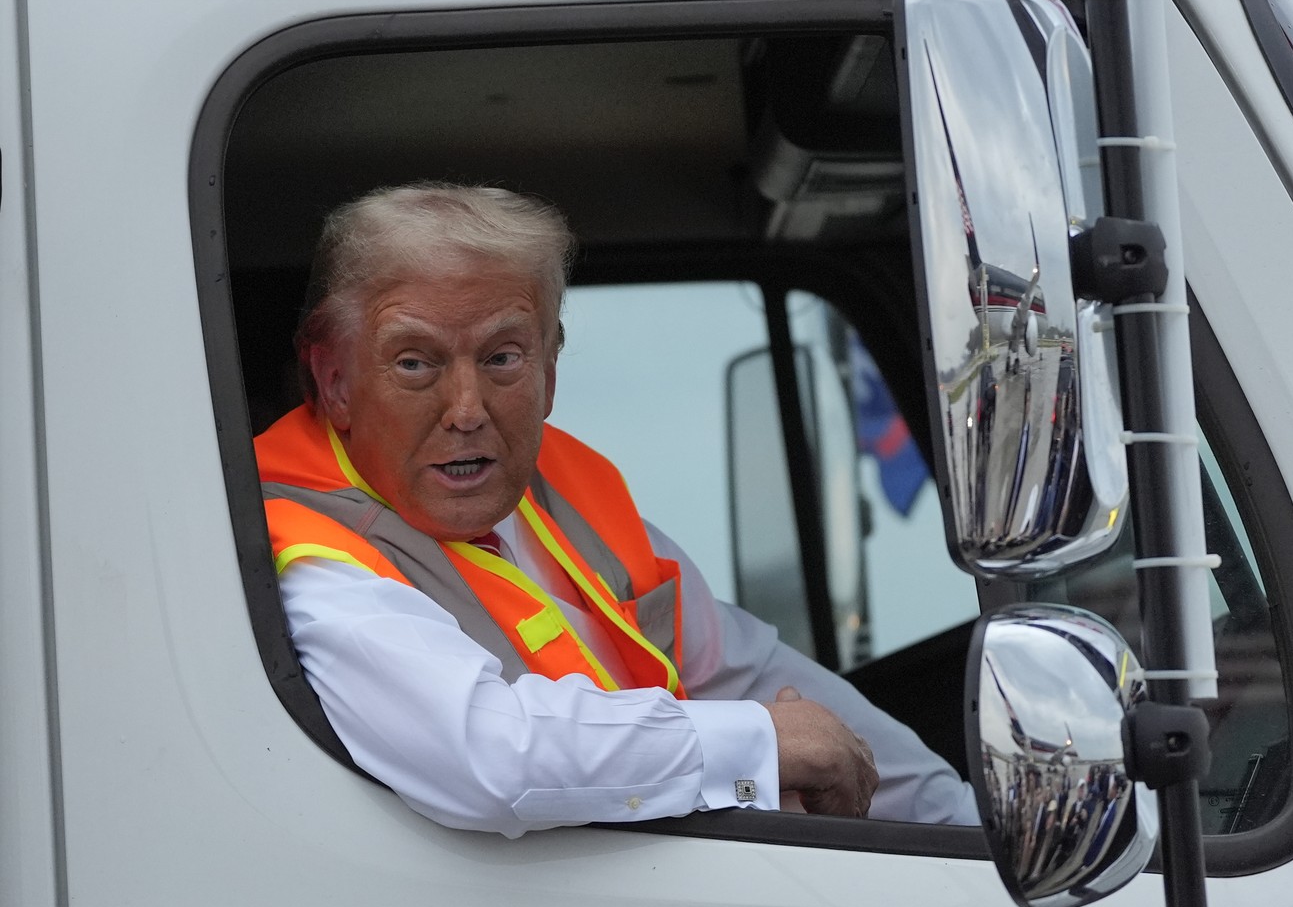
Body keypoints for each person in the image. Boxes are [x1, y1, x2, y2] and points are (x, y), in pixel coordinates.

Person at [255, 182, 978, 838]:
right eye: (416, 362)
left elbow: (748, 671)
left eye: (503, 357)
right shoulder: (306, 553)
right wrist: (757, 743)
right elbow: (491, 758)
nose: (467, 409)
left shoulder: (566, 498)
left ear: (550, 372)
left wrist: (966, 832)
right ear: (335, 382)